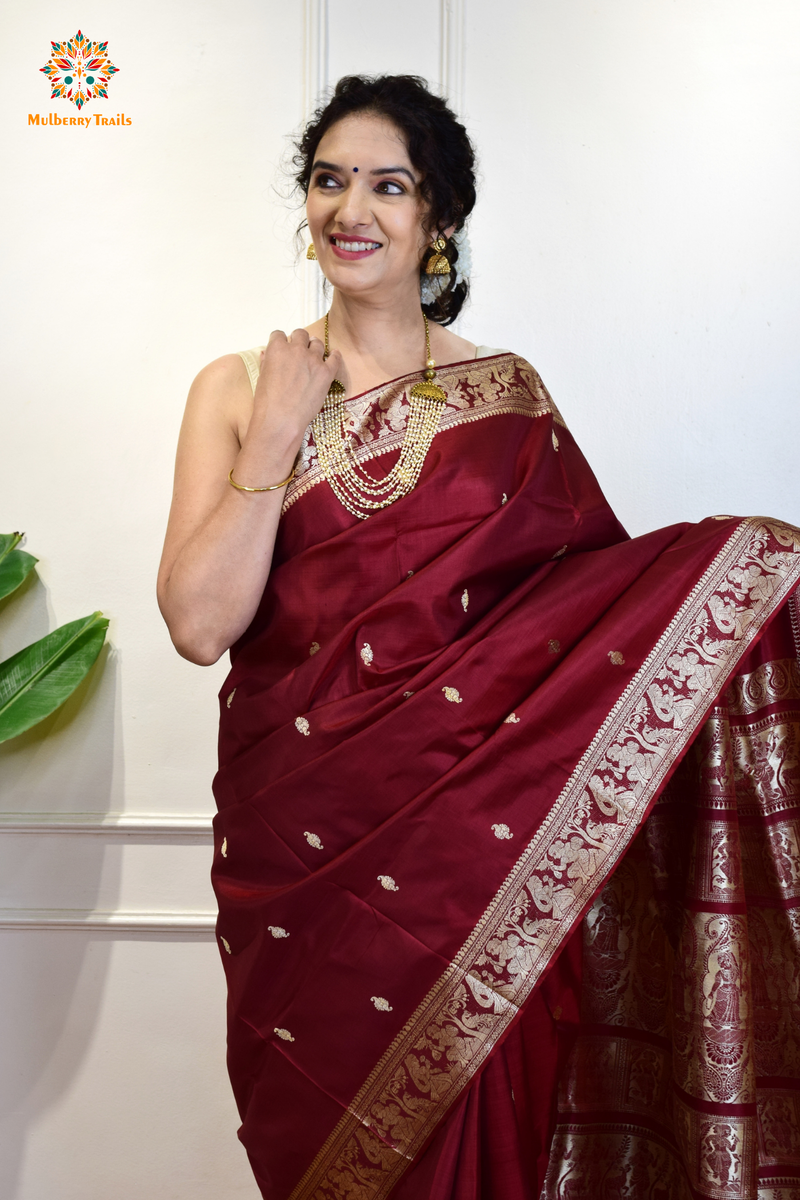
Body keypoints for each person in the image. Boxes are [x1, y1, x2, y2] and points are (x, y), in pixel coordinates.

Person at [157, 75, 800, 1200]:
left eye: (387, 185)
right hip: (298, 837)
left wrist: (738, 571)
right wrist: (272, 433)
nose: (350, 209)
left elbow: (580, 617)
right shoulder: (240, 384)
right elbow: (199, 623)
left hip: (470, 850)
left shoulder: (505, 398)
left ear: (436, 219)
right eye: (328, 180)